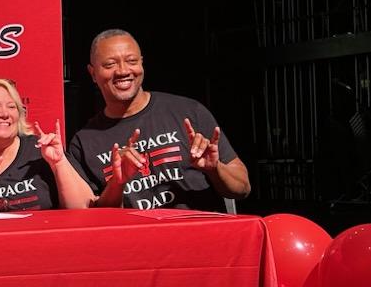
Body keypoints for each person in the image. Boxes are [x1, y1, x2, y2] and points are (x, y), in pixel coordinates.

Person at [67, 29, 251, 211]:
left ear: (142, 64)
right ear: (92, 73)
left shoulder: (188, 111)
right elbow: (92, 219)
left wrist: (214, 169)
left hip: (200, 235)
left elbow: (242, 188)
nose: (123, 71)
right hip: (136, 240)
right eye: (109, 65)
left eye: (131, 61)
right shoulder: (84, 143)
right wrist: (117, 182)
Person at [0, 78, 136, 211]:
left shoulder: (40, 151)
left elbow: (85, 209)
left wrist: (58, 163)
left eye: (12, 106)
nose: (5, 114)